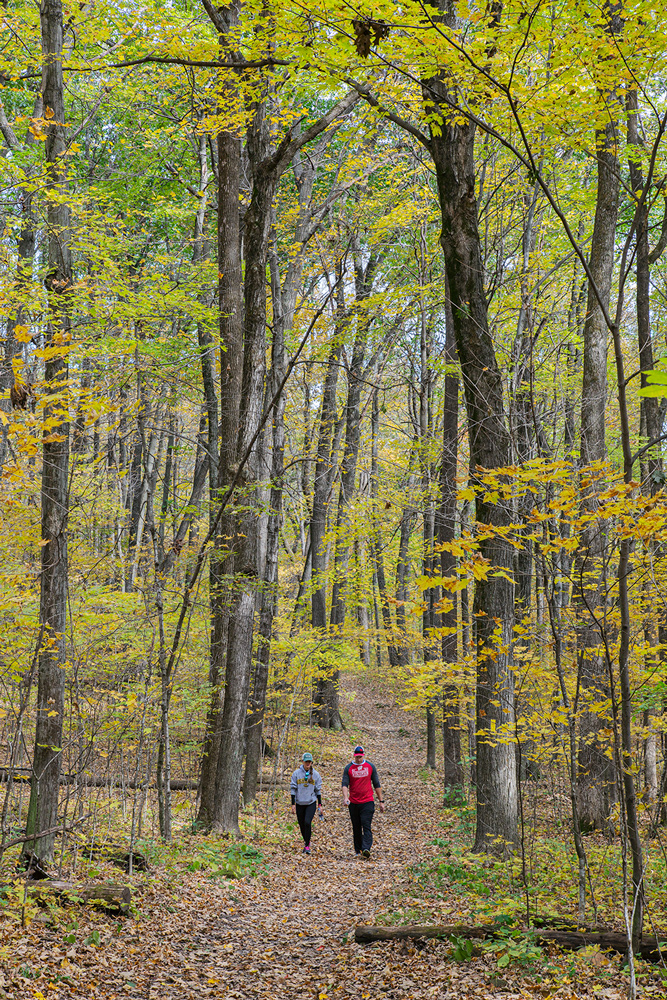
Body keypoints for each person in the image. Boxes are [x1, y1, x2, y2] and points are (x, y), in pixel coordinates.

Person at [341, 745, 385, 858]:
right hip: (354, 802)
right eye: (357, 757)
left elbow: (376, 784)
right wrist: (346, 797)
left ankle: (366, 848)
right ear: (354, 756)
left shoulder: (370, 766)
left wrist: (381, 801)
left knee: (366, 825)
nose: (358, 759)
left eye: (360, 757)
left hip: (367, 801)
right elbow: (345, 784)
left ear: (363, 755)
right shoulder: (349, 768)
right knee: (356, 827)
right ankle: (357, 849)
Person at [290, 752, 324, 854]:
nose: (308, 763)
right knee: (301, 824)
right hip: (300, 803)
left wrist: (320, 805)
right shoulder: (296, 774)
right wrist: (293, 804)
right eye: (306, 761)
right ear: (302, 762)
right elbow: (293, 789)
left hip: (310, 802)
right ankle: (306, 841)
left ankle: (307, 845)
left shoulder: (316, 775)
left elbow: (318, 790)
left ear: (311, 762)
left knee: (307, 822)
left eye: (309, 762)